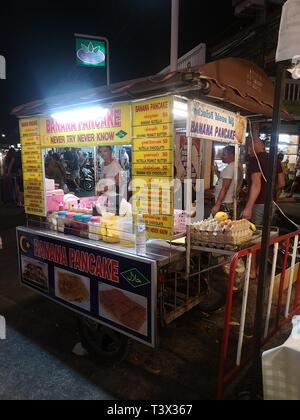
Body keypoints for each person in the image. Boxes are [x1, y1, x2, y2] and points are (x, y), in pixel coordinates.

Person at [241, 138, 285, 278]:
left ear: (254, 146)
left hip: (258, 204)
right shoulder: (275, 159)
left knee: (253, 238)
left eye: (248, 147)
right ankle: (261, 269)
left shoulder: (256, 160)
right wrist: (272, 195)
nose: (248, 150)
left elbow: (256, 184)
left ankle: (252, 271)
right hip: (270, 204)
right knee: (266, 237)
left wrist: (248, 207)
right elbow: (281, 183)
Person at [212, 146, 243, 216]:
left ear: (231, 155)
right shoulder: (236, 165)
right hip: (229, 200)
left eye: (224, 154)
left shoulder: (230, 168)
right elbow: (224, 179)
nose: (221, 156)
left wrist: (217, 205)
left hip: (225, 202)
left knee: (222, 225)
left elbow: (225, 187)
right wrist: (216, 171)